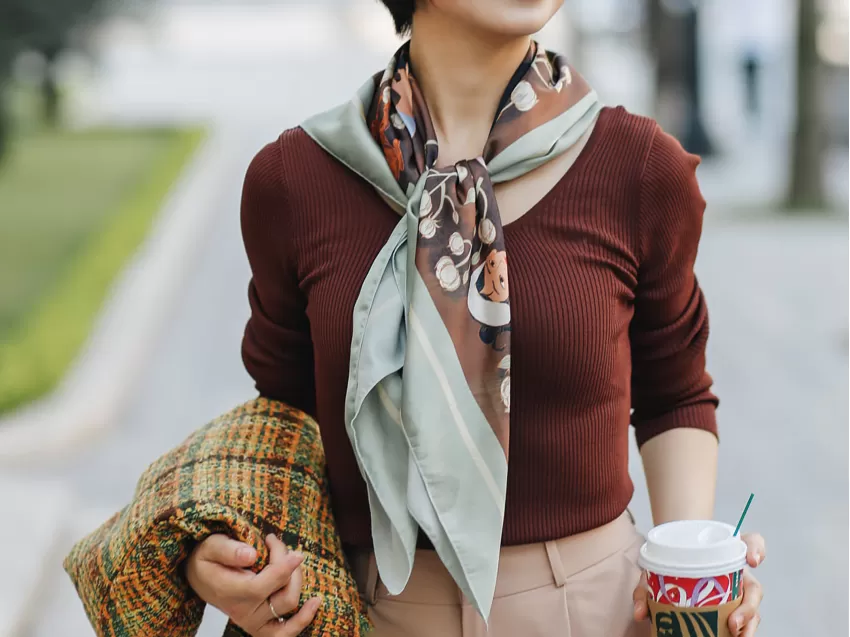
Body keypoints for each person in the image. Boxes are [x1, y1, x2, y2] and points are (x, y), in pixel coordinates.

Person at [184, 1, 766, 635]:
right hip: (365, 612)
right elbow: (283, 422)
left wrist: (688, 583)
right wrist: (224, 561)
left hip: (594, 612)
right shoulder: (295, 182)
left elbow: (674, 392)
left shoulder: (636, 167)